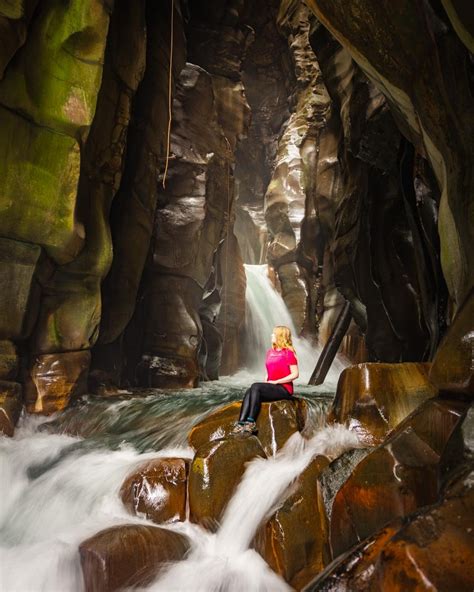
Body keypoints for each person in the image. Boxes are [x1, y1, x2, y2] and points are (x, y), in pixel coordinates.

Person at [231, 325, 299, 435]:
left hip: (284, 388)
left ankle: (251, 422)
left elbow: (295, 374)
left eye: (274, 333)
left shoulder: (289, 353)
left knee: (255, 386)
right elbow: (269, 370)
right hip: (272, 385)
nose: (271, 335)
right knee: (250, 391)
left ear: (280, 336)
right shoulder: (270, 352)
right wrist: (266, 380)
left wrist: (276, 382)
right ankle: (241, 423)